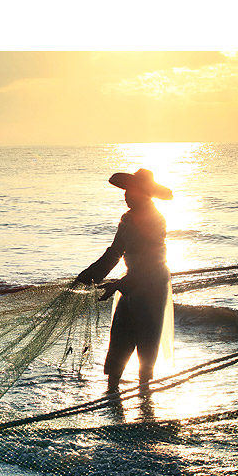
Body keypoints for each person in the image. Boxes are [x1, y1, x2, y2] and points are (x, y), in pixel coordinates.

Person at [76, 168, 174, 393]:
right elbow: (115, 252)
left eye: (130, 191)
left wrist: (120, 284)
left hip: (152, 283)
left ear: (142, 193)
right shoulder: (127, 218)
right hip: (130, 282)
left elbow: (151, 262)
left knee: (146, 339)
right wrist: (89, 275)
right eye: (125, 190)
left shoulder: (154, 219)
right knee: (120, 335)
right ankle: (112, 392)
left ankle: (144, 393)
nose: (125, 195)